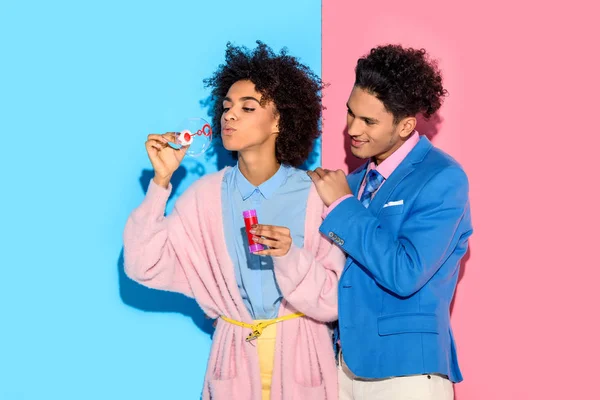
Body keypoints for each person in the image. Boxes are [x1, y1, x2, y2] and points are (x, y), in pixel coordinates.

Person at [124, 41, 345, 400]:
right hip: (234, 363)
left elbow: (335, 298)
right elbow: (142, 265)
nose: (230, 116)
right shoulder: (204, 198)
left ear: (278, 119)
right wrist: (160, 183)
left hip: (304, 358)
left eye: (247, 107)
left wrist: (289, 255)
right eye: (226, 107)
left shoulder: (317, 194)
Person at [308, 44, 473, 400]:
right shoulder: (353, 183)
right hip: (342, 367)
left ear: (405, 125)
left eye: (369, 121)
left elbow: (405, 271)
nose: (352, 128)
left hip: (407, 374)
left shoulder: (443, 178)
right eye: (351, 113)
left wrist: (341, 205)